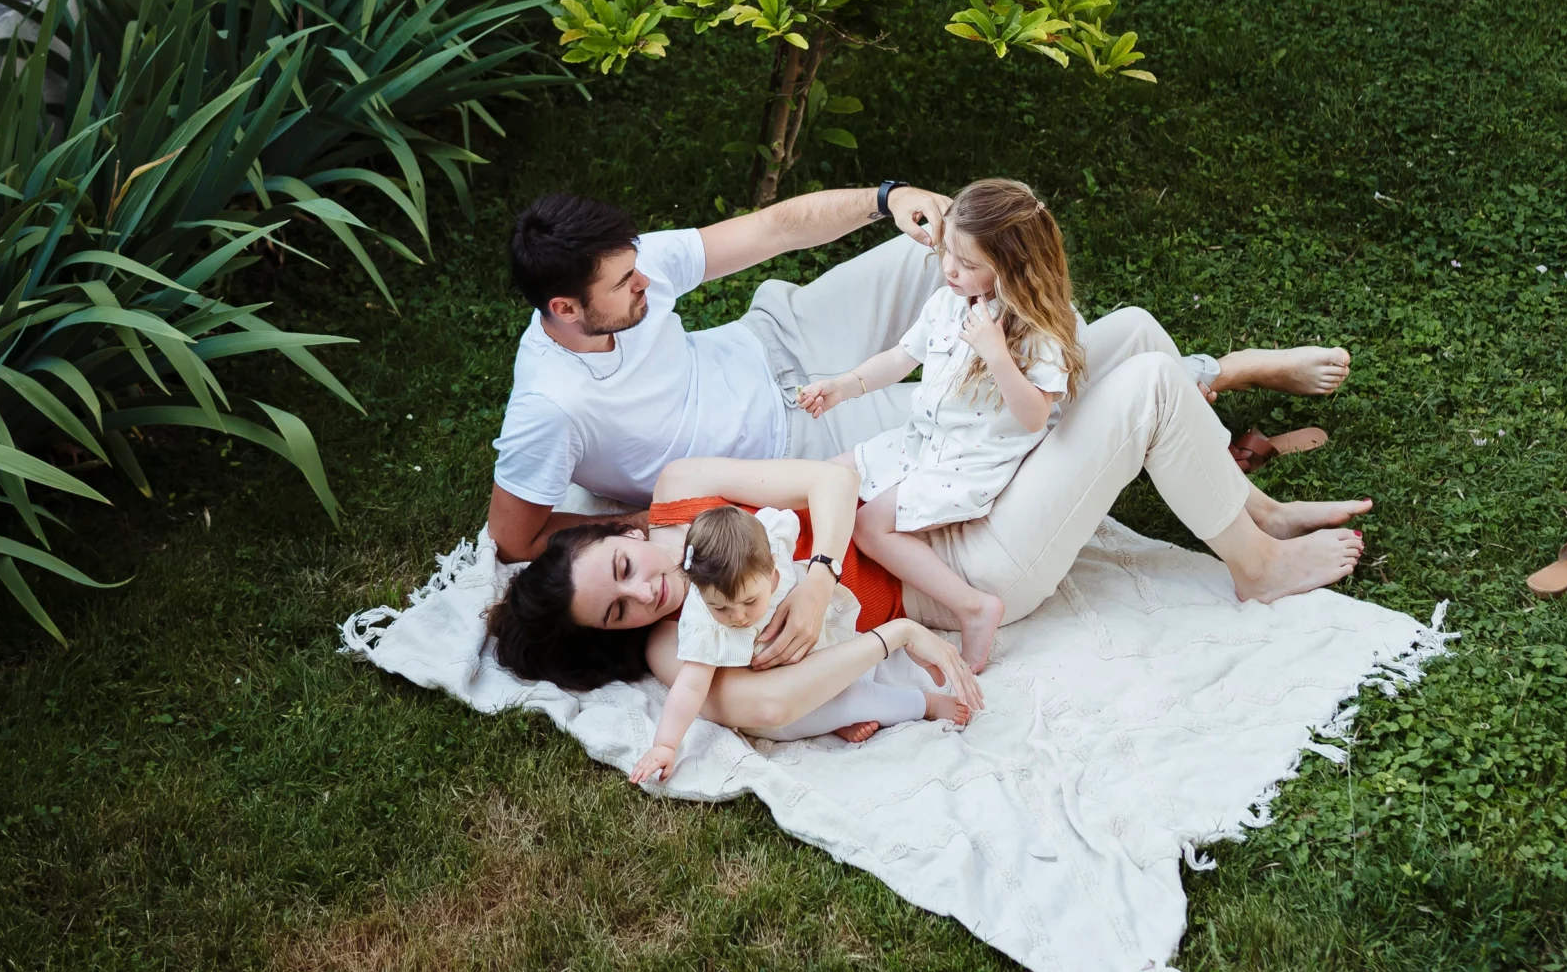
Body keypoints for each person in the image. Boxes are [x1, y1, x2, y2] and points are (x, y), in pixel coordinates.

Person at [486, 180, 1354, 673]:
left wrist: (885, 196)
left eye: (640, 271)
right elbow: (514, 532)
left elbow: (772, 229)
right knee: (1126, 377)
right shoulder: (553, 413)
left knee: (989, 278)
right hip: (852, 479)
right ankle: (1255, 558)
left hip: (789, 355)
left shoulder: (690, 505)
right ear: (567, 308)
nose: (647, 286)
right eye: (626, 287)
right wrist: (641, 542)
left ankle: (1251, 505)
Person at [488, 455, 985, 770]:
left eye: (624, 566)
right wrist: (893, 635)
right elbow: (770, 708)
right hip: (934, 583)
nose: (643, 593)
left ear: (626, 532)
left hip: (893, 508)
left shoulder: (681, 488)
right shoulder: (672, 643)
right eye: (617, 611)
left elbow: (834, 479)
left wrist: (819, 581)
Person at [802, 179, 1080, 670]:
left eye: (969, 264)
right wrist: (845, 385)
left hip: (969, 460)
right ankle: (801, 568)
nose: (950, 269)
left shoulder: (1036, 334)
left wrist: (998, 357)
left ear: (1014, 268)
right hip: (921, 441)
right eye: (948, 250)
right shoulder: (950, 301)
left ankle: (974, 607)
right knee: (827, 478)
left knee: (870, 525)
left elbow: (1035, 415)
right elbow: (899, 357)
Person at [628, 501, 929, 785]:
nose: (737, 617)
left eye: (749, 601)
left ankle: (838, 716)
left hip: (822, 644)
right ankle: (925, 704)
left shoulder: (770, 541)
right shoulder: (705, 625)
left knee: (862, 657)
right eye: (719, 607)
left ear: (771, 566)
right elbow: (690, 686)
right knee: (853, 698)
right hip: (787, 686)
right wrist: (665, 745)